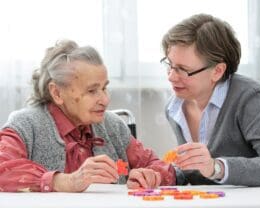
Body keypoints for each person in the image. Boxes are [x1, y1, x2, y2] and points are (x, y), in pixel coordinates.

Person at [0, 40, 175, 192]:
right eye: (92, 91)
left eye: (105, 88)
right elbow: (3, 168)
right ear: (57, 93)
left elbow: (158, 166)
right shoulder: (25, 125)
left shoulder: (113, 126)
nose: (105, 100)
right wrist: (66, 181)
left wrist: (150, 176)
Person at [161, 13, 260, 186]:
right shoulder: (174, 107)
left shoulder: (250, 99)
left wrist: (217, 167)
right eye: (170, 65)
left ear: (217, 71)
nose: (171, 77)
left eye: (182, 69)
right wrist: (164, 174)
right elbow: (197, 174)